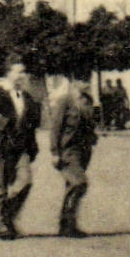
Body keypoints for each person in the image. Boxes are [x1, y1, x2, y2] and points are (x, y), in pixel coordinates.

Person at [0, 58, 41, 241]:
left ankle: (7, 214)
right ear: (7, 74)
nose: (21, 76)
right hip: (0, 147)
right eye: (17, 72)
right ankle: (0, 225)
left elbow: (31, 126)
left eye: (23, 72)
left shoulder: (27, 98)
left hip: (21, 148)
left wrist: (32, 149)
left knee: (25, 182)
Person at [49, 73, 98, 238]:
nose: (87, 83)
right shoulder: (65, 101)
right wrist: (55, 152)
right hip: (68, 150)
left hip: (84, 150)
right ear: (74, 82)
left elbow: (90, 124)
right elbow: (55, 128)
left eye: (88, 80)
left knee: (72, 186)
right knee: (79, 183)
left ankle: (68, 226)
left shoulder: (88, 101)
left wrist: (93, 137)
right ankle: (67, 223)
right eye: (83, 79)